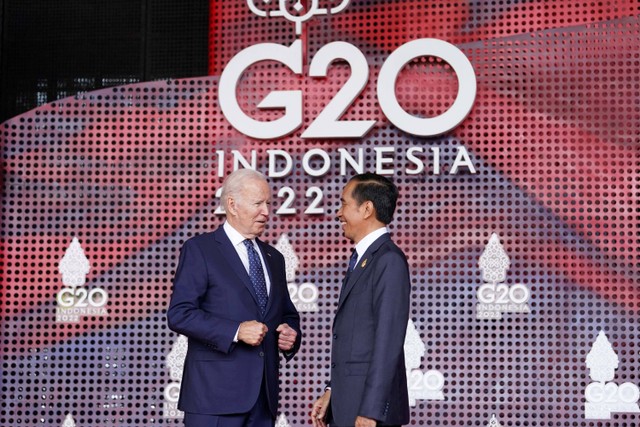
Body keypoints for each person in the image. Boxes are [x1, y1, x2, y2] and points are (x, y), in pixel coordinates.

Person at [167, 168, 302, 427]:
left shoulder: (275, 258)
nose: (266, 211)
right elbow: (180, 313)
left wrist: (290, 333)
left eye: (268, 204)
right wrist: (236, 331)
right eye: (258, 203)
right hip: (213, 400)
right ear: (232, 205)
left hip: (263, 401)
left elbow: (286, 314)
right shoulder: (200, 250)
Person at [311, 173, 411, 427]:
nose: (338, 213)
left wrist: (371, 411)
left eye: (344, 203)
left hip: (367, 414)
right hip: (347, 406)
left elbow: (388, 341)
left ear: (367, 209)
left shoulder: (388, 260)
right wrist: (333, 390)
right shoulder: (364, 259)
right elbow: (358, 339)